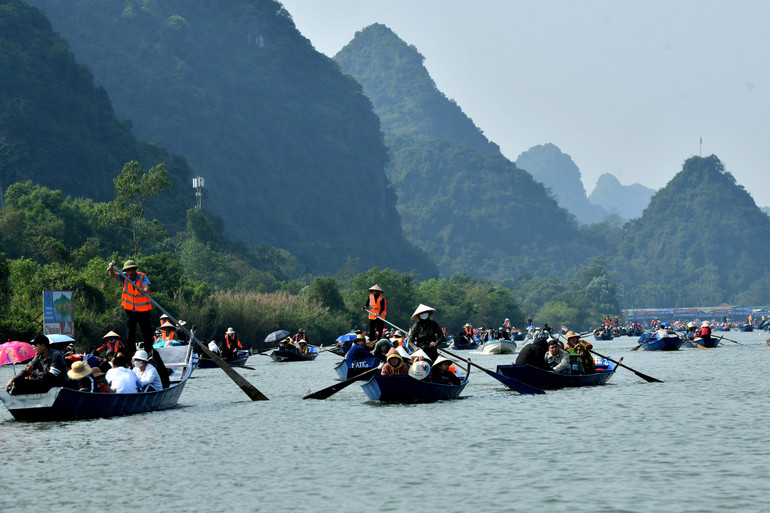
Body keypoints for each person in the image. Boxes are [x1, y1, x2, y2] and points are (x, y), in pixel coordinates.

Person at [108, 259, 153, 357]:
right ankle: (131, 353)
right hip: (130, 310)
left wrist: (144, 290)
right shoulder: (124, 276)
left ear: (135, 270)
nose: (130, 272)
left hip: (143, 310)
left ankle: (149, 351)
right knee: (130, 333)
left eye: (132, 270)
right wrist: (111, 267)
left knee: (146, 332)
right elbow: (113, 275)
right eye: (128, 270)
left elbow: (146, 286)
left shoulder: (142, 276)